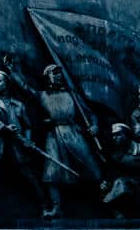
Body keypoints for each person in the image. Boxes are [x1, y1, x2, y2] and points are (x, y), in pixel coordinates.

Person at [34, 65, 103, 218]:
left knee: (92, 167)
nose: (59, 76)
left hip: (73, 133)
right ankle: (57, 207)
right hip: (54, 135)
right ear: (47, 76)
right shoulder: (42, 95)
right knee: (51, 172)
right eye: (55, 73)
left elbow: (90, 114)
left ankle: (109, 203)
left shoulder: (72, 95)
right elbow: (25, 87)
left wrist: (95, 126)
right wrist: (12, 71)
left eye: (60, 73)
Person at [0, 71, 41, 216]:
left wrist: (27, 139)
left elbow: (28, 125)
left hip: (16, 144)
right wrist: (4, 128)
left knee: (29, 175)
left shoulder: (19, 105)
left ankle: (44, 204)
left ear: (7, 84)